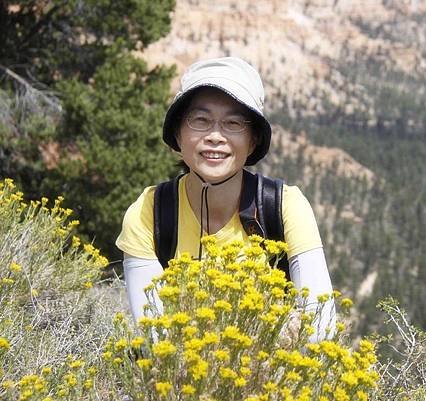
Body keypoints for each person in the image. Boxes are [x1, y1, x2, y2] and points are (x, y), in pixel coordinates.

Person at [115, 57, 335, 341]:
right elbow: (155, 338)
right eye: (200, 120)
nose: (215, 136)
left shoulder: (284, 207)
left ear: (253, 140)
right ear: (178, 135)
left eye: (233, 123)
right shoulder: (150, 212)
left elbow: (320, 329)